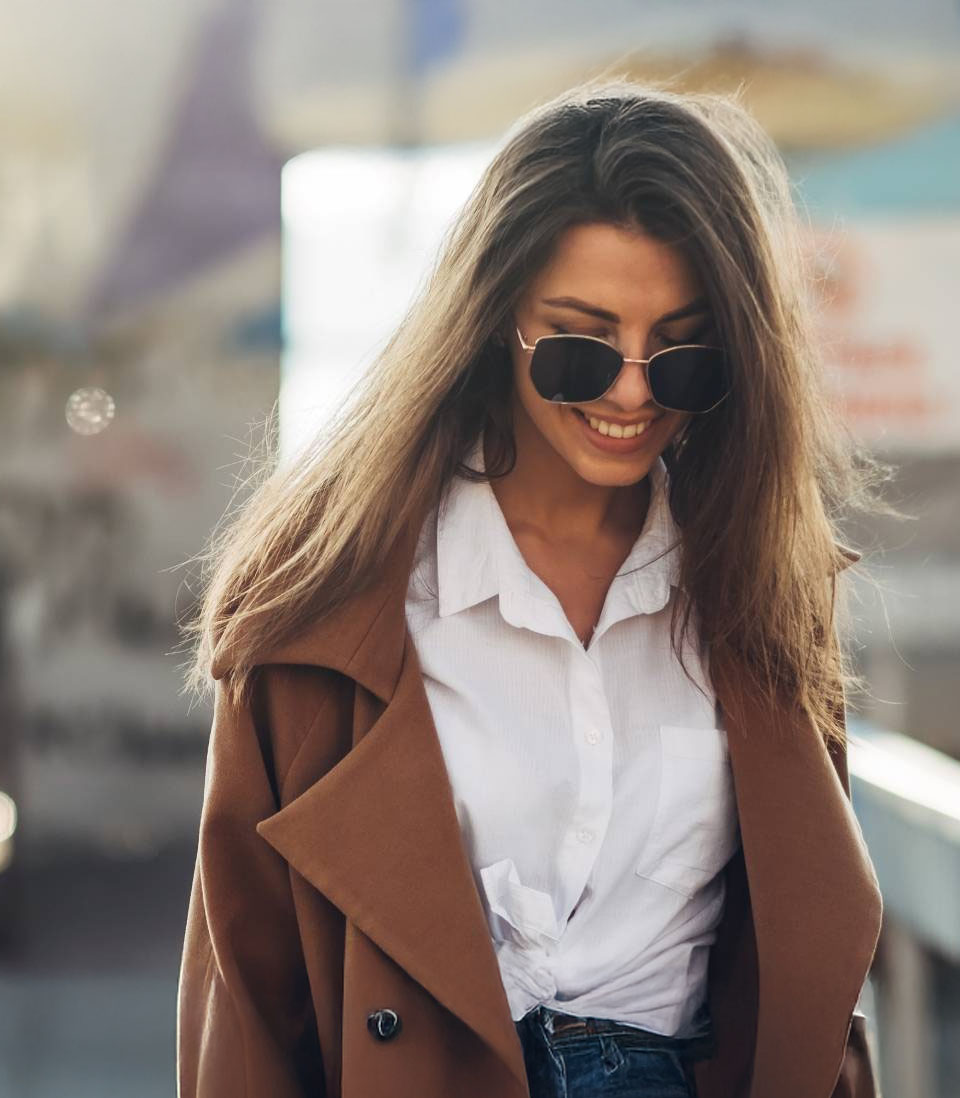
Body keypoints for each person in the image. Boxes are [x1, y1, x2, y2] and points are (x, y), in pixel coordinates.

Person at [176, 76, 892, 1098]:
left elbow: (806, 972)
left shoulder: (761, 584)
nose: (633, 391)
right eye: (580, 347)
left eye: (682, 353)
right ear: (493, 321)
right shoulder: (327, 602)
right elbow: (245, 999)